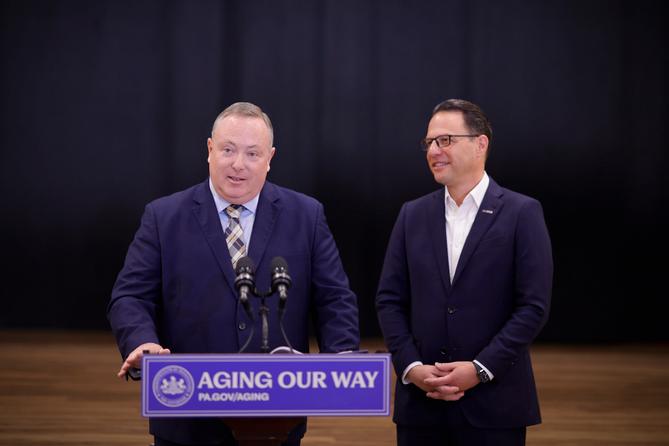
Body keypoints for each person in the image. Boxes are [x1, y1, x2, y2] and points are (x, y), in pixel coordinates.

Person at [108, 102, 359, 446]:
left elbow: (335, 299)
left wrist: (340, 362)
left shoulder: (306, 215)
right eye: (228, 150)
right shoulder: (163, 217)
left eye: (253, 154)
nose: (238, 164)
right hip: (186, 413)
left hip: (277, 413)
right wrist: (141, 342)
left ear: (270, 158)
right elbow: (130, 296)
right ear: (210, 150)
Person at [375, 99, 552, 446]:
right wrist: (411, 367)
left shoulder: (522, 213)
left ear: (480, 144)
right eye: (429, 143)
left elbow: (533, 306)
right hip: (421, 406)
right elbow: (389, 300)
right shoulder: (412, 215)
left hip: (495, 404)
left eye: (446, 140)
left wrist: (480, 369)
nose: (434, 151)